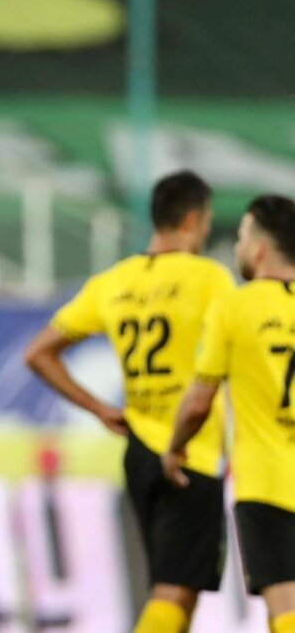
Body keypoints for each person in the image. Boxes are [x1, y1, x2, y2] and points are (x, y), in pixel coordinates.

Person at [24, 171, 234, 633]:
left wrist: (99, 408)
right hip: (189, 450)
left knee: (175, 590)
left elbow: (39, 354)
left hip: (139, 449)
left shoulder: (113, 281)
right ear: (194, 220)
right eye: (205, 222)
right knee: (174, 592)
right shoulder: (209, 278)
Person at [162, 194, 295, 633]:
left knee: (287, 607)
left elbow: (199, 402)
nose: (237, 246)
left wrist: (175, 447)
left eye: (241, 237)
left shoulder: (235, 307)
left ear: (259, 249)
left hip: (268, 483)